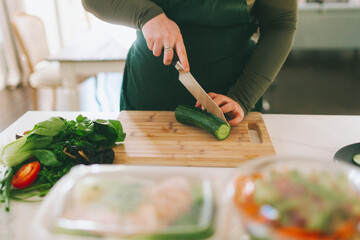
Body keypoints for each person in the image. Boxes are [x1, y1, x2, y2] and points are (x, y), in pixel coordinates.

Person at [82, 0, 297, 126]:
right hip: (149, 96)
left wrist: (242, 97)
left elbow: (280, 23)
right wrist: (145, 15)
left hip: (233, 97)